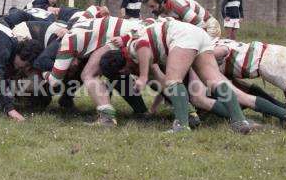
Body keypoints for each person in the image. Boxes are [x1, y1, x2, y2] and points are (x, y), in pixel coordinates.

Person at [106, 17, 260, 133]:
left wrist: (143, 77)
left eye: (126, 72)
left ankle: (181, 125)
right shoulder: (133, 36)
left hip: (182, 37)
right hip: (198, 34)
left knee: (173, 80)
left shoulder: (131, 48)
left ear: (122, 67)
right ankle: (239, 121)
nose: (128, 73)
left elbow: (142, 45)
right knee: (214, 81)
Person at [43, 16, 146, 127]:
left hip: (124, 39)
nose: (74, 65)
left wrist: (43, 73)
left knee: (88, 75)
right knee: (117, 73)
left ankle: (108, 118)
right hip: (130, 36)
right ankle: (142, 110)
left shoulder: (67, 44)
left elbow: (54, 81)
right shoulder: (78, 25)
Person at [213, 38, 286, 106]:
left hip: (267, 61)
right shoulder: (217, 42)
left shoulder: (211, 49)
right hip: (270, 50)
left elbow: (223, 50)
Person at [143, 0, 221, 39]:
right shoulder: (160, 11)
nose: (151, 10)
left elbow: (201, 25)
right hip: (195, 26)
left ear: (162, 2)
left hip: (209, 26)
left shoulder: (179, 7)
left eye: (153, 6)